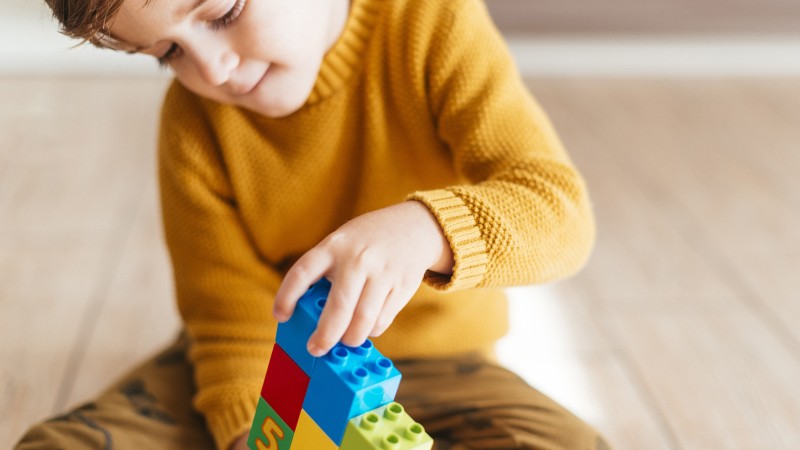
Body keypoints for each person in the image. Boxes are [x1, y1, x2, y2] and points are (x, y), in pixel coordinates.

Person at [18, 0, 609, 448]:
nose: (213, 70)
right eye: (167, 53)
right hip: (259, 359)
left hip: (445, 366)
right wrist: (258, 435)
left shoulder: (431, 25)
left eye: (223, 13)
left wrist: (428, 230)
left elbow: (558, 208)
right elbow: (229, 322)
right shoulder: (195, 124)